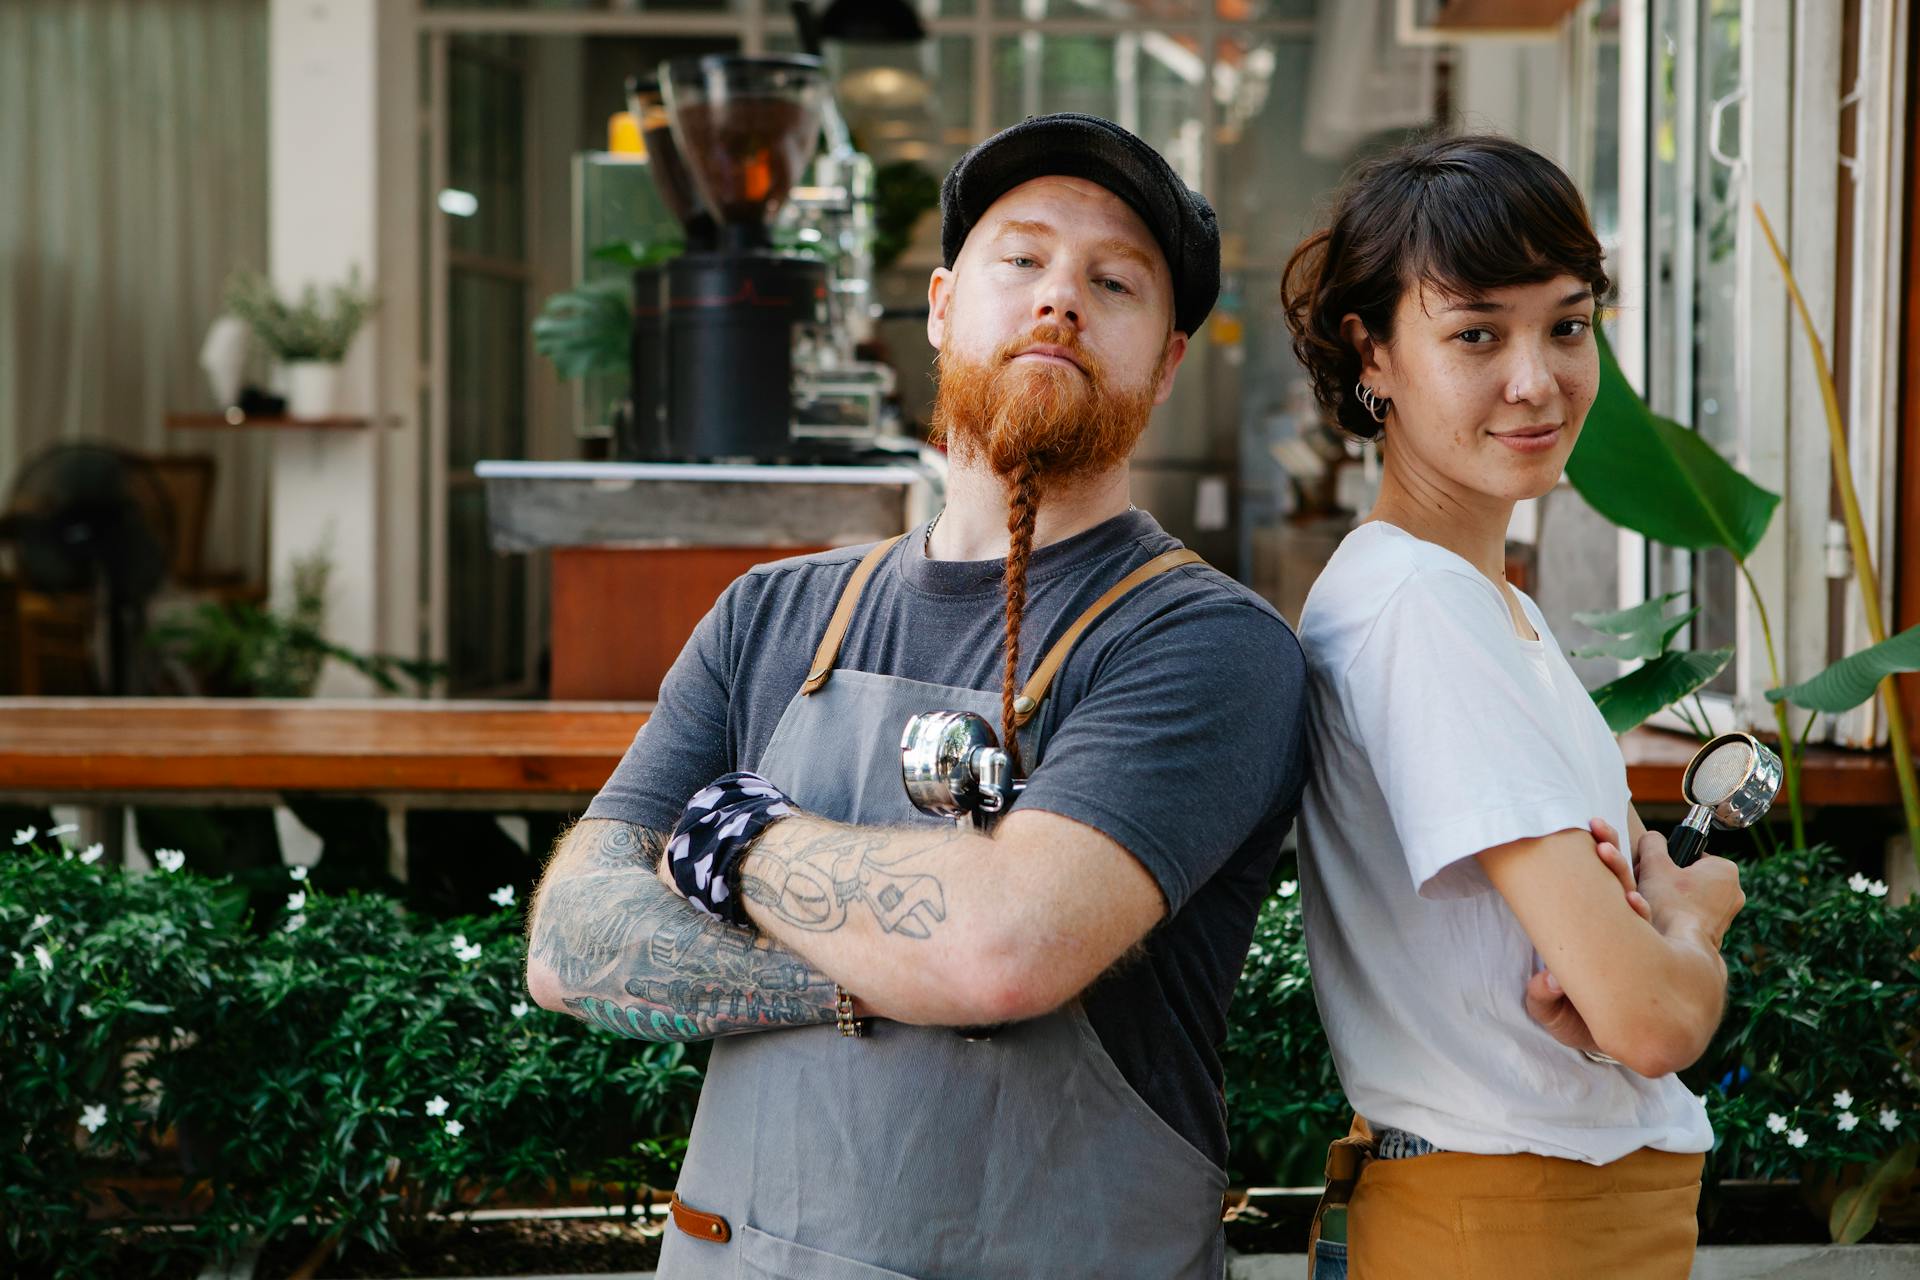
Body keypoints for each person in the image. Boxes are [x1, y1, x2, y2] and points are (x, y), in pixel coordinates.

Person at [525, 113, 1310, 1279]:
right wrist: (887, 965)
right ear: (942, 307)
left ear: (1168, 359)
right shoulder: (769, 616)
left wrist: (727, 838)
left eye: (1115, 281)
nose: (1061, 300)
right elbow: (573, 939)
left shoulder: (1207, 644)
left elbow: (1003, 946)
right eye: (1022, 259)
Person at [1281, 134, 1747, 1280]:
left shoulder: (1474, 600)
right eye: (1477, 333)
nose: (1537, 379)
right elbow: (1648, 1020)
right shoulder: (1421, 606)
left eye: (1569, 324)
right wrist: (1690, 920)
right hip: (1515, 1223)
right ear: (1371, 352)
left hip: (1532, 1210)